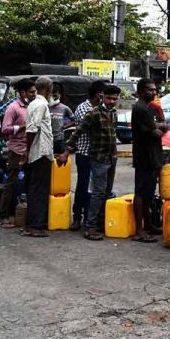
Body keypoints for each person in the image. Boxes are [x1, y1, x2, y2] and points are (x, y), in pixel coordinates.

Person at [58, 84, 120, 241]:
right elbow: (76, 134)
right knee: (97, 192)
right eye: (109, 98)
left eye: (115, 98)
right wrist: (66, 152)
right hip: (97, 158)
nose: (112, 101)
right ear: (102, 97)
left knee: (106, 191)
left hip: (111, 157)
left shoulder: (113, 113)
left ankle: (99, 222)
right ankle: (90, 226)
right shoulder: (93, 113)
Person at [131, 78, 167, 243]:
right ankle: (139, 229)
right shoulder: (141, 109)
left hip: (152, 156)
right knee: (141, 193)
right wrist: (159, 127)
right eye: (150, 90)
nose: (154, 92)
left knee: (148, 193)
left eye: (154, 89)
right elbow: (158, 131)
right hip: (144, 156)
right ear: (141, 91)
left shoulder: (149, 108)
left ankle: (148, 225)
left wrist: (159, 126)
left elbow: (161, 126)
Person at [70, 80, 106, 231]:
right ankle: (77, 216)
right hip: (85, 153)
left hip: (98, 155)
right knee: (83, 186)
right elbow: (95, 130)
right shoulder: (84, 108)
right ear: (99, 94)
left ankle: (93, 217)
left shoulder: (101, 108)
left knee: (97, 188)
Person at [0, 78, 34, 228]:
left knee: (29, 183)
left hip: (30, 150)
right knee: (10, 184)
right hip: (16, 150)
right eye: (31, 91)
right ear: (22, 92)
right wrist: (21, 127)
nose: (34, 94)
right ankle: (4, 216)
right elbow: (4, 129)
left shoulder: (32, 106)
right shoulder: (13, 108)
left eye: (35, 91)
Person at [23, 76, 54, 237]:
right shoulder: (41, 104)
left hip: (40, 152)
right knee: (39, 190)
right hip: (40, 152)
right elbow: (32, 129)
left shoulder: (35, 104)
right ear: (48, 89)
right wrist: (27, 150)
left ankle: (34, 224)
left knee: (36, 189)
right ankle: (35, 226)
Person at [49, 83, 74, 155]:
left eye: (55, 95)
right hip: (48, 139)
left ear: (60, 95)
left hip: (59, 139)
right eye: (51, 95)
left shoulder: (64, 108)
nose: (53, 98)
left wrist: (66, 126)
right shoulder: (45, 106)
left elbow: (75, 120)